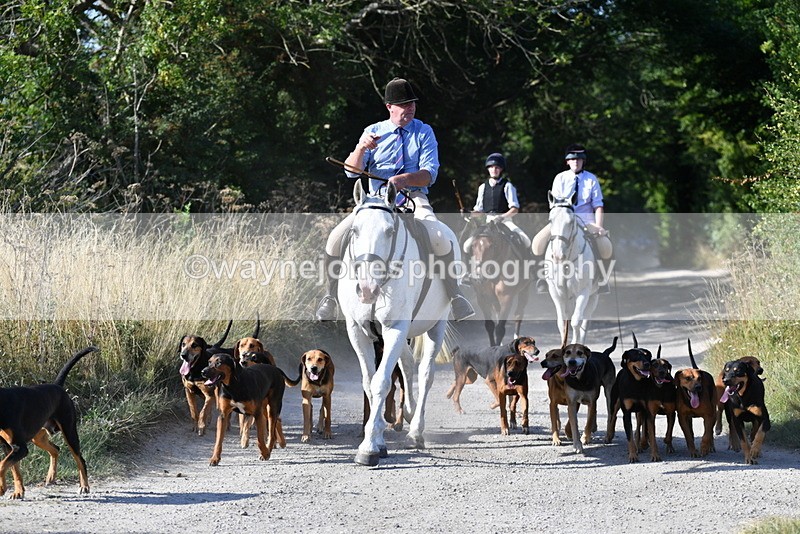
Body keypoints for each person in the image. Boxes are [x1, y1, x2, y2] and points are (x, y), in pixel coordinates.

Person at [315, 77, 475, 322]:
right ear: (389, 106)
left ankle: (455, 296)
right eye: (403, 104)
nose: (409, 108)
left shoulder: (424, 131)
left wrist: (403, 180)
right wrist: (361, 149)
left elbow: (429, 174)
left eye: (412, 103)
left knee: (441, 238)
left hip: (413, 199)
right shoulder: (373, 132)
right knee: (335, 237)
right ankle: (330, 297)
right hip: (375, 203)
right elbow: (351, 171)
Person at [531, 144, 613, 292]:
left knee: (605, 246)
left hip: (586, 221)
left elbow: (598, 206)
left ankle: (601, 279)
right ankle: (543, 277)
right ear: (567, 162)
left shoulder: (591, 179)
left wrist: (599, 227)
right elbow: (555, 204)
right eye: (573, 159)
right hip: (562, 220)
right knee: (537, 243)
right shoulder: (560, 178)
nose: (576, 162)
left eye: (579, 159)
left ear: (583, 161)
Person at [462, 152, 531, 257]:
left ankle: (528, 267)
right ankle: (467, 271)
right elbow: (479, 211)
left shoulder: (507, 186)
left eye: (497, 167)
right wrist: (468, 213)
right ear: (488, 169)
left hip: (505, 221)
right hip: (487, 222)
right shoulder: (482, 187)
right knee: (467, 245)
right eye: (491, 167)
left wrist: (501, 217)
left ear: (501, 169)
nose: (494, 170)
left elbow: (515, 209)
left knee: (525, 240)